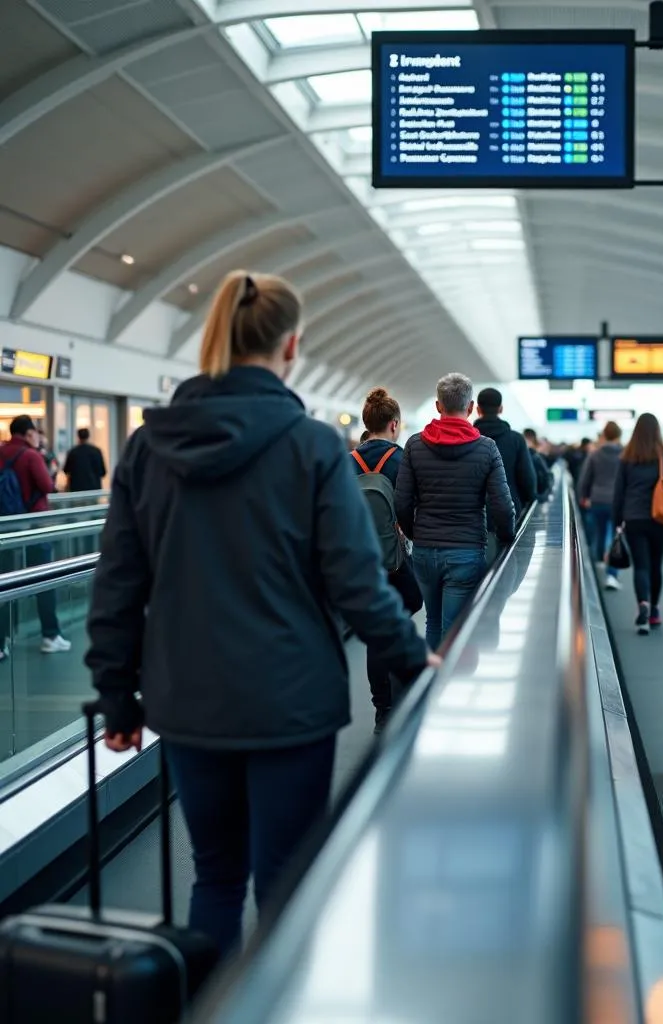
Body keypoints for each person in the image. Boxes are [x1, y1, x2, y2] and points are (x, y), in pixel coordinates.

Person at [86, 270, 435, 958]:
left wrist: (116, 698)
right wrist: (410, 656)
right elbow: (357, 578)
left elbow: (118, 584)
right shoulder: (311, 448)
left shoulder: (148, 447)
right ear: (292, 346)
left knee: (214, 878)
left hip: (188, 700)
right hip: (291, 700)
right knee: (287, 881)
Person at [396, 373, 515, 651]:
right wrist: (507, 539)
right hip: (466, 550)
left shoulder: (414, 445)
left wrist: (417, 534)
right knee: (455, 629)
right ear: (471, 407)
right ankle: (444, 687)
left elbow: (401, 502)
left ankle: (429, 685)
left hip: (425, 550)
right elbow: (502, 505)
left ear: (438, 406)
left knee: (432, 623)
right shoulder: (487, 448)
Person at [352, 387, 425, 733]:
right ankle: (401, 691)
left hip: (358, 563)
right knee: (407, 605)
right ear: (395, 424)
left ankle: (383, 707)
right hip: (396, 560)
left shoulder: (346, 462)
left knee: (374, 632)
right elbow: (413, 511)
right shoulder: (402, 460)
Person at [0, 415, 70, 654]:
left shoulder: (1, 452)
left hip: (6, 529)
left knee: (6, 583)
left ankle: (3, 641)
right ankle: (50, 635)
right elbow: (48, 486)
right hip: (34, 525)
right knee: (43, 579)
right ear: (29, 433)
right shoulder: (31, 455)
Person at [612, 413, 663, 635]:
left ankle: (642, 604)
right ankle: (654, 611)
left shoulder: (627, 458)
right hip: (659, 518)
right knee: (655, 564)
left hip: (633, 518)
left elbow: (618, 493)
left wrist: (617, 522)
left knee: (641, 566)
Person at [474, 388, 537, 519]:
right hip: (509, 511)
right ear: (500, 409)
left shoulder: (468, 438)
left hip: (474, 513)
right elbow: (527, 479)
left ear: (478, 409)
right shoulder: (516, 439)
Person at [579, 421, 624, 591]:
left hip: (597, 500)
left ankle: (599, 559)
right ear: (619, 435)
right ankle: (611, 574)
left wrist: (583, 496)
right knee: (615, 537)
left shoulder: (595, 454)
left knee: (600, 531)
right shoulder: (625, 454)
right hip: (617, 501)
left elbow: (585, 478)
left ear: (604, 434)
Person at [63, 427, 107, 492]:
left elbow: (66, 470)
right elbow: (103, 472)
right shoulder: (96, 451)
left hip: (76, 489)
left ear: (78, 437)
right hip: (93, 489)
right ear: (88, 436)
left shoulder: (73, 452)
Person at [522, 428, 552, 501]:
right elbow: (546, 476)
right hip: (535, 495)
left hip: (527, 498)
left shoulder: (530, 454)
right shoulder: (535, 455)